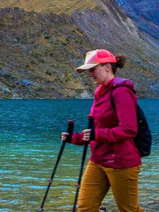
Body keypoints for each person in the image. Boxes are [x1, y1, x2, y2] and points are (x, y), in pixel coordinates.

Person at [62, 49, 145, 212]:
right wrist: (73, 138)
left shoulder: (122, 91)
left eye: (92, 69)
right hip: (98, 160)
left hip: (122, 162)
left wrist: (96, 134)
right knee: (86, 207)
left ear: (107, 67)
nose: (90, 74)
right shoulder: (100, 93)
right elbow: (94, 131)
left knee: (129, 209)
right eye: (88, 70)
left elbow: (129, 130)